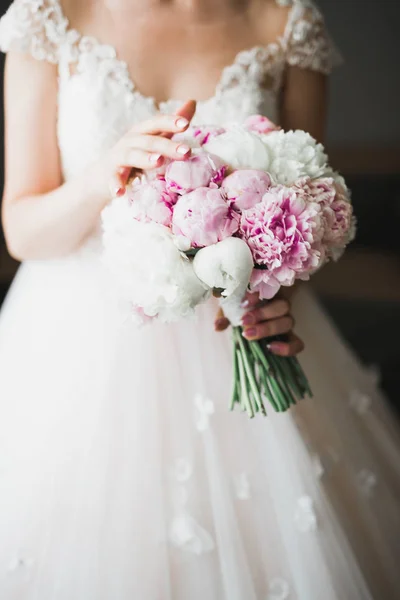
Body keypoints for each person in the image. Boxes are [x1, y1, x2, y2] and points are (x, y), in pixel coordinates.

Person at [0, 0, 399, 598]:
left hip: (237, 332)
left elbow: (306, 215)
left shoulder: (285, 25)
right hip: (75, 349)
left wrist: (274, 289)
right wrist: (106, 173)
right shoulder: (51, 18)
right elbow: (23, 229)